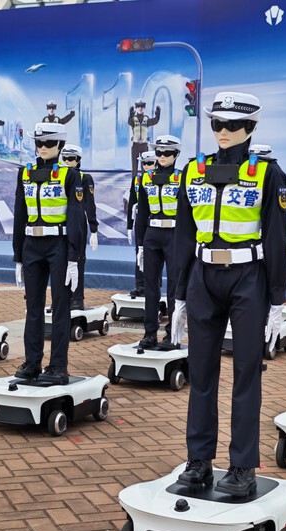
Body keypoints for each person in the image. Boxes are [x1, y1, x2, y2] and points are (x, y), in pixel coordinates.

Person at [171, 92, 286, 497]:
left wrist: (277, 299)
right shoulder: (193, 170)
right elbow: (184, 234)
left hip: (248, 276)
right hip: (204, 275)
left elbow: (276, 237)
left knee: (246, 375)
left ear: (251, 128)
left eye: (232, 126)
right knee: (200, 372)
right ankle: (199, 461)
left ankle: (242, 467)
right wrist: (180, 292)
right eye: (216, 124)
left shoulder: (267, 174)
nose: (223, 132)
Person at [12, 122, 86, 386]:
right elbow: (20, 214)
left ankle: (58, 366)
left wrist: (75, 258)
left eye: (49, 144)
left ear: (59, 146)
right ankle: (32, 363)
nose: (43, 148)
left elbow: (77, 219)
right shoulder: (25, 173)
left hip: (59, 246)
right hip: (32, 245)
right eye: (39, 143)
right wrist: (18, 255)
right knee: (32, 308)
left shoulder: (69, 175)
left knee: (60, 308)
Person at [136, 135, 182, 350]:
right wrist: (140, 244)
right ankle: (149, 333)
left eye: (167, 153)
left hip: (175, 236)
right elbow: (142, 212)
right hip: (152, 235)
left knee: (174, 287)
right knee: (151, 287)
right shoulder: (145, 178)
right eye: (159, 153)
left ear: (176, 155)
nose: (162, 156)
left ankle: (172, 333)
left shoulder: (182, 178)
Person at [59, 144, 98, 310]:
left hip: (78, 223)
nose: (68, 162)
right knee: (60, 263)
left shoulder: (84, 178)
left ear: (78, 160)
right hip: (60, 223)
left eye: (71, 159)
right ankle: (62, 298)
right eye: (65, 158)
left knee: (77, 261)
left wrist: (93, 228)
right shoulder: (58, 176)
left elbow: (90, 203)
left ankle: (77, 298)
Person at [127, 151, 156, 297]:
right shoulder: (138, 179)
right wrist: (129, 225)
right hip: (140, 218)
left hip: (155, 218)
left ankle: (153, 285)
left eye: (150, 163)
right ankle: (140, 285)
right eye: (144, 163)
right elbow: (132, 201)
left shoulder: (162, 178)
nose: (146, 166)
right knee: (139, 252)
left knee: (154, 254)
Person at [128, 99, 160, 179]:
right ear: (136, 107)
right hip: (135, 144)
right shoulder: (134, 119)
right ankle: (134, 182)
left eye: (142, 106)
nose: (140, 108)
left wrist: (158, 114)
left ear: (144, 108)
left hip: (144, 145)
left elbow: (155, 121)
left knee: (145, 165)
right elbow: (130, 122)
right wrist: (130, 115)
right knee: (134, 165)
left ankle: (144, 181)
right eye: (138, 106)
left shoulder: (146, 119)